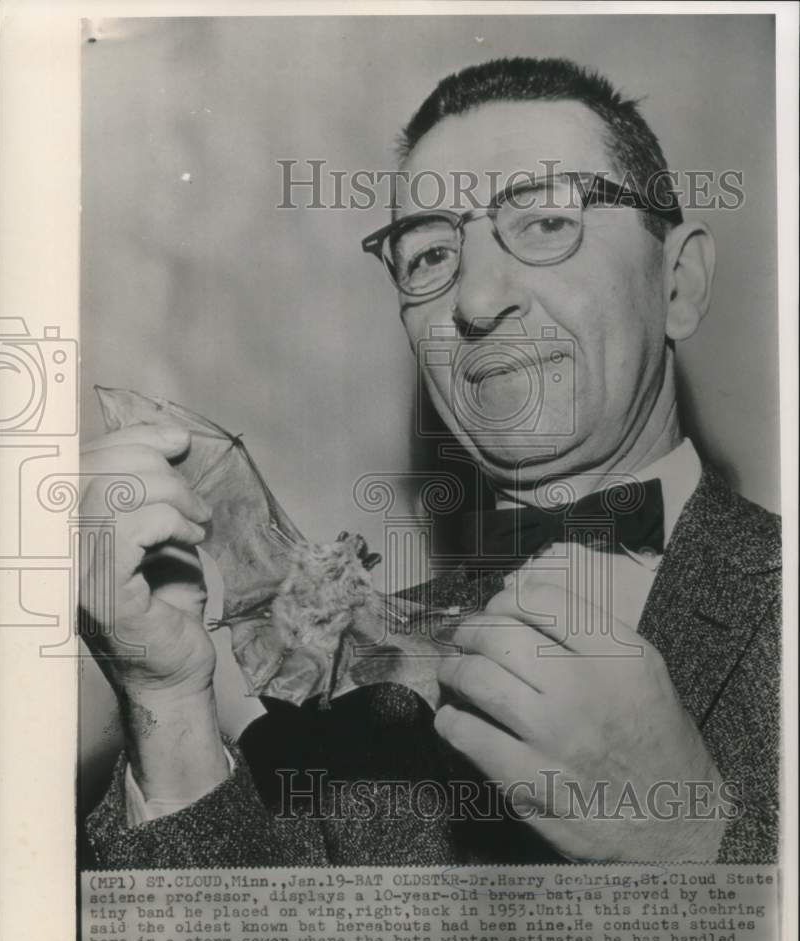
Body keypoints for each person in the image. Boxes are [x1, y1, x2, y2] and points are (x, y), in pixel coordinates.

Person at [80, 57, 781, 869]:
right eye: (428, 255)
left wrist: (693, 844)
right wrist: (165, 699)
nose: (477, 301)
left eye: (547, 221)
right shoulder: (350, 664)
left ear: (679, 284)